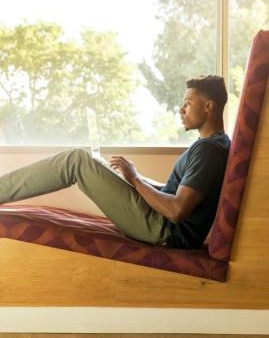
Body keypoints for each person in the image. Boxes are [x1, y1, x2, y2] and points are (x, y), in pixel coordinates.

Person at [0, 75, 231, 249]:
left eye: (188, 103)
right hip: (161, 225)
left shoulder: (207, 150)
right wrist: (129, 177)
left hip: (164, 231)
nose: (181, 109)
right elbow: (174, 194)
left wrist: (136, 180)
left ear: (209, 106)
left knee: (75, 160)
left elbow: (176, 210)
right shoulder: (216, 144)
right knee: (85, 162)